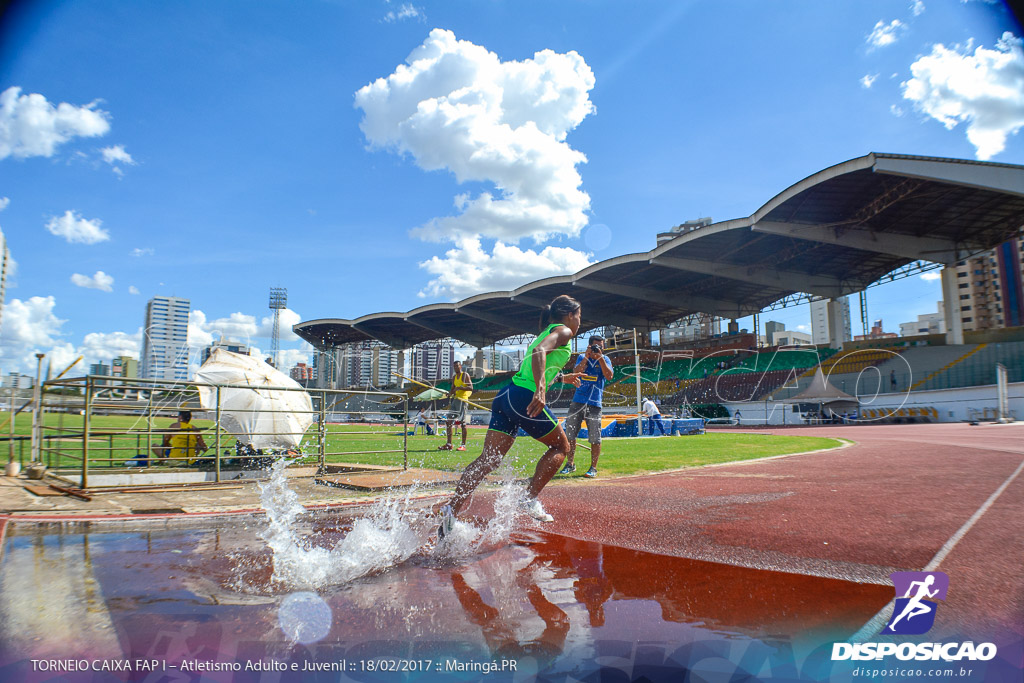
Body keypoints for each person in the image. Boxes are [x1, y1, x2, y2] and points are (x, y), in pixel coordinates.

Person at [437, 295, 586, 536]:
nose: (580, 321)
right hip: (523, 396)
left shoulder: (547, 330)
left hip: (506, 395)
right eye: (579, 316)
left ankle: (451, 511)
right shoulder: (564, 331)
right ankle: (529, 499)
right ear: (570, 315)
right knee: (562, 447)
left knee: (489, 459)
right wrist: (539, 389)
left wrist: (560, 378)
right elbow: (539, 352)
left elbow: (534, 362)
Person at [560, 334, 614, 478]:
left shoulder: (606, 359)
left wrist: (600, 358)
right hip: (578, 401)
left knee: (595, 438)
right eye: (596, 346)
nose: (599, 348)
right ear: (589, 346)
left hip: (595, 403)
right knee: (570, 434)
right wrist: (586, 357)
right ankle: (570, 464)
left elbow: (609, 376)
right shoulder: (581, 357)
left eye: (601, 346)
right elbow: (576, 371)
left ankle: (593, 468)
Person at [439, 360, 473, 451]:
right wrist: (449, 394)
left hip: (463, 400)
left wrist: (460, 387)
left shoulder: (465, 375)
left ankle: (463, 445)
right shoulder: (454, 377)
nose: (456, 368)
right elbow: (452, 389)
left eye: (457, 366)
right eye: (454, 366)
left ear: (460, 366)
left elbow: (471, 387)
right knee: (448, 421)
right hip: (455, 400)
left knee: (462, 423)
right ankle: (449, 444)